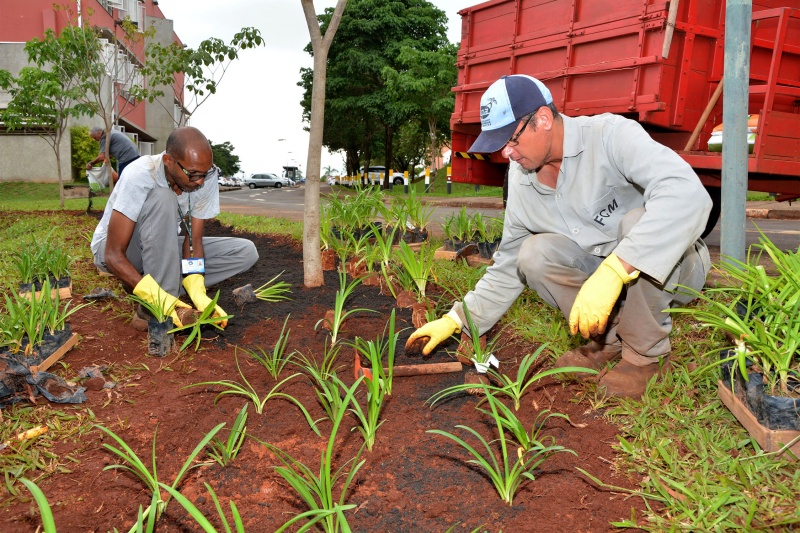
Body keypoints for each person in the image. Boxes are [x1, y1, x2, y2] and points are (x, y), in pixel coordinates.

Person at [406, 74, 712, 399]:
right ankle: (607, 341)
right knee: (532, 253)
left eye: (512, 140)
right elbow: (509, 264)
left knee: (637, 222)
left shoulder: (610, 136)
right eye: (500, 146)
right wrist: (457, 320)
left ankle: (644, 358)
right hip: (605, 279)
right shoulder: (522, 178)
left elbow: (688, 194)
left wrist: (616, 269)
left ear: (543, 118)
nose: (507, 153)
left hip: (676, 271)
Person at [90, 126, 258, 331]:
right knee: (163, 197)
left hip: (159, 246)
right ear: (169, 161)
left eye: (206, 173)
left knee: (245, 252)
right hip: (118, 250)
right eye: (194, 174)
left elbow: (193, 241)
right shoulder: (141, 173)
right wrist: (159, 299)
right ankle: (155, 307)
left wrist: (197, 290)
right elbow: (113, 255)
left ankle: (159, 283)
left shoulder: (204, 177)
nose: (201, 181)